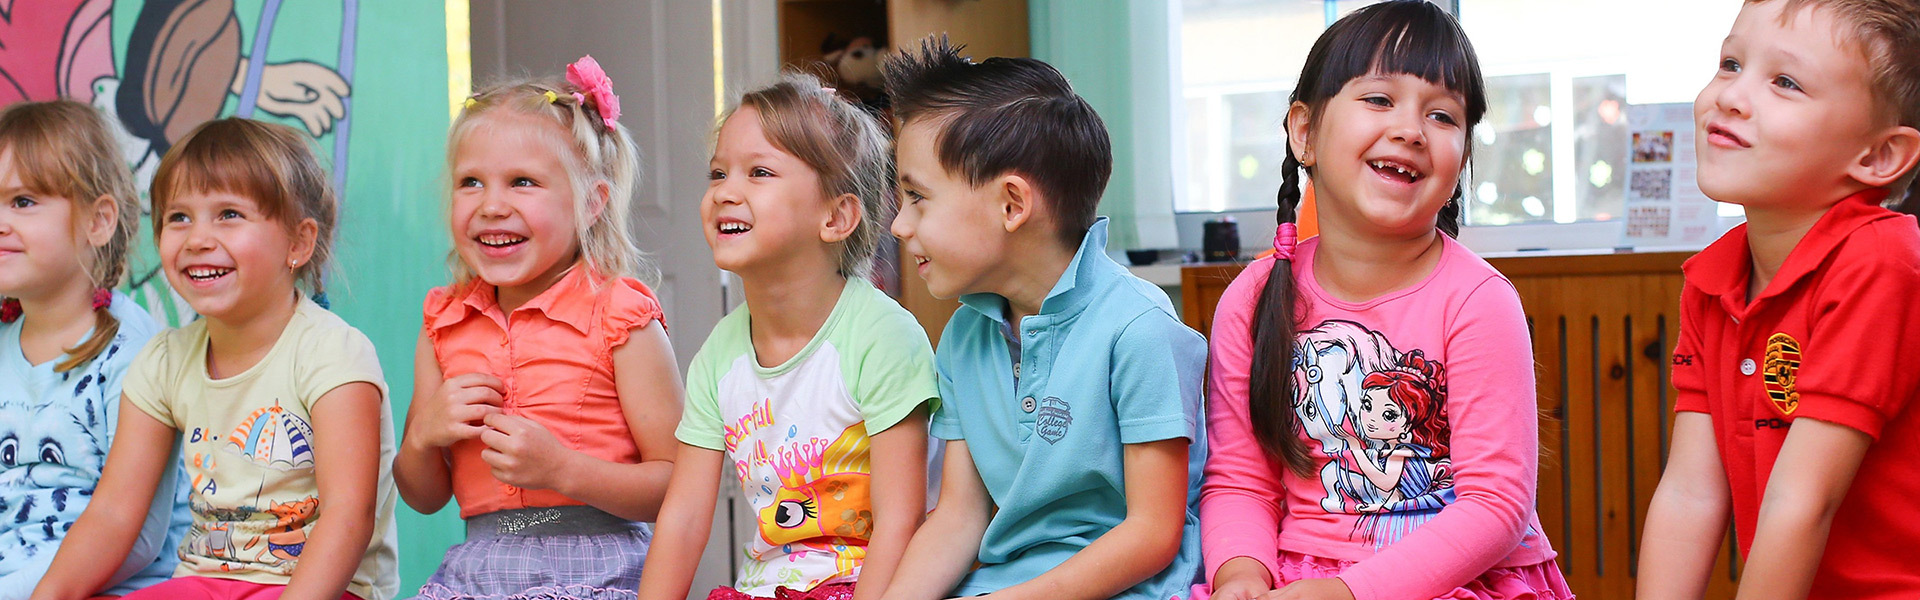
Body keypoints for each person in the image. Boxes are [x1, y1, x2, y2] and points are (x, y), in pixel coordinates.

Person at [1200, 3, 1570, 599]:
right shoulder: (1253, 296)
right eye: (1378, 99)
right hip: (1293, 576)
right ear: (1304, 132)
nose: (1411, 129)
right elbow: (1241, 481)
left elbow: (1495, 506)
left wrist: (1348, 593)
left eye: (1443, 115)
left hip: (1456, 579)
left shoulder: (1478, 301)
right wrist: (1241, 573)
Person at [878, 37, 1209, 600]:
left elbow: (1152, 534)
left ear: (1012, 204)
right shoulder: (964, 335)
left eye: (917, 198)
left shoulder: (1140, 329)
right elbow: (960, 516)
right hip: (1002, 582)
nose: (898, 226)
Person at [34, 117, 398, 600]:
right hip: (204, 584)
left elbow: (347, 515)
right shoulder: (164, 360)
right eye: (178, 217)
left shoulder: (331, 353)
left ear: (298, 243)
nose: (197, 238)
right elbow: (113, 513)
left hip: (318, 587)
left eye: (228, 214)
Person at [1637, 1, 1920, 597]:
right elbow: (1690, 493)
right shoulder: (1712, 278)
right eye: (1730, 62)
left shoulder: (1881, 261)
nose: (1732, 95)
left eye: (1784, 82)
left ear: (1878, 157)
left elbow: (1804, 500)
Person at [394, 56, 683, 600]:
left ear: (591, 203)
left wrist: (563, 468)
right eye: (470, 182)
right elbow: (424, 495)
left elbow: (677, 484)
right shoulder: (444, 322)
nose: (492, 205)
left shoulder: (622, 315)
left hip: (599, 567)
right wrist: (421, 438)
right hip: (478, 568)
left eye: (522, 182)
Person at [637, 73, 935, 600]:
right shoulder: (718, 357)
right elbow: (683, 518)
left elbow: (901, 519)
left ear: (836, 216)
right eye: (718, 173)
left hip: (868, 583)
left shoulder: (882, 337)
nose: (725, 192)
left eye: (759, 173)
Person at [0, 100, 189, 600]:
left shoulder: (136, 352)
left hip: (99, 586)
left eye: (22, 201)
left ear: (98, 221)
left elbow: (137, 537)